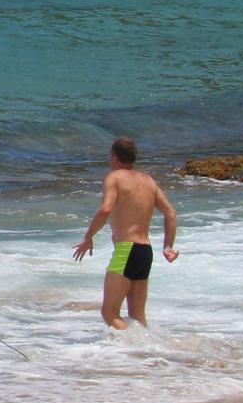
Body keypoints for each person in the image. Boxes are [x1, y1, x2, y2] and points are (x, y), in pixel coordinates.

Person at [72, 137, 178, 329]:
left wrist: (88, 237)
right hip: (145, 251)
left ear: (114, 157)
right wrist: (168, 246)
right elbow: (170, 212)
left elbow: (105, 209)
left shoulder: (115, 178)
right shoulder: (148, 181)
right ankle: (149, 354)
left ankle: (144, 347)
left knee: (109, 313)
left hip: (126, 250)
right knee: (137, 316)